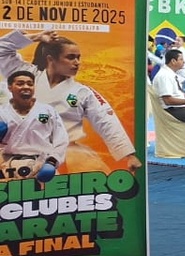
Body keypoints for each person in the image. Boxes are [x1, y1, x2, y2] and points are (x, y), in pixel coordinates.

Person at [0, 29, 142, 173]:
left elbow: (106, 121)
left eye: (78, 58)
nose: (77, 63)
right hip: (20, 153)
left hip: (68, 154)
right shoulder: (27, 76)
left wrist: (128, 155)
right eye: (71, 57)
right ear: (50, 59)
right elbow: (1, 50)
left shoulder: (82, 92)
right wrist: (35, 37)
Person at [0, 69, 68, 183]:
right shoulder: (2, 113)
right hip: (8, 165)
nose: (26, 87)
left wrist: (52, 161)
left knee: (47, 199)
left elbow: (61, 139)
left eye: (30, 84)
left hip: (41, 164)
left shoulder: (47, 110)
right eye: (20, 83)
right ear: (10, 87)